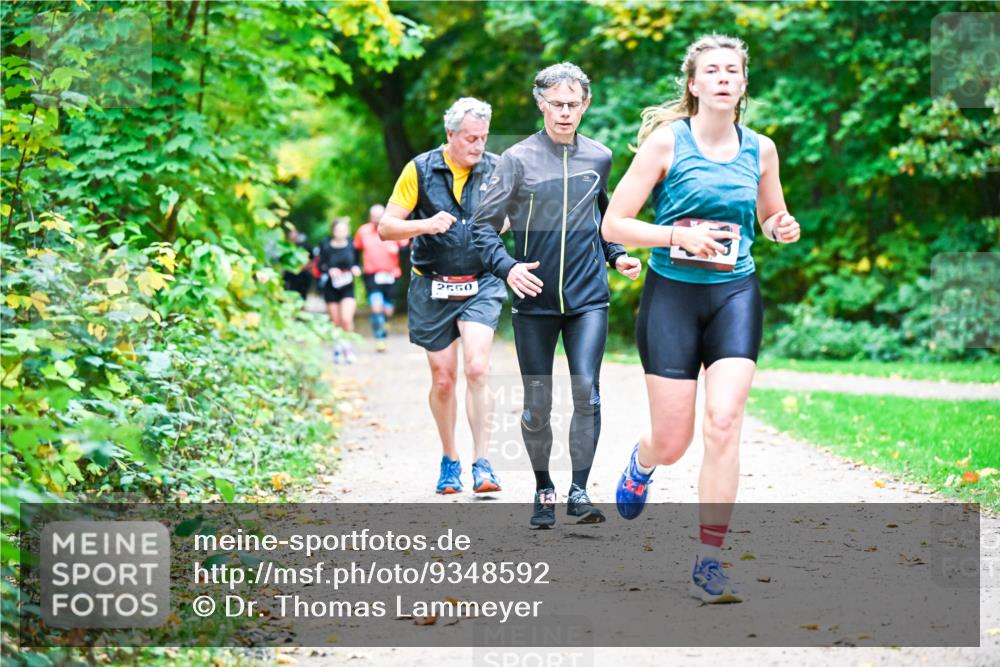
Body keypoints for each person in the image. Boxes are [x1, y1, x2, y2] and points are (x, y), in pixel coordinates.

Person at [601, 34, 801, 603]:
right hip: (673, 296)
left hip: (735, 293)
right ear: (693, 84)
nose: (721, 77)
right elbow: (615, 223)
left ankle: (709, 560)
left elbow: (770, 214)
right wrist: (676, 235)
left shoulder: (760, 149)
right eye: (710, 70)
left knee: (723, 420)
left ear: (741, 85)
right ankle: (643, 463)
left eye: (731, 70)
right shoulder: (667, 143)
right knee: (673, 440)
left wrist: (781, 226)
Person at [471, 63, 641, 528]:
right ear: (540, 103)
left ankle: (579, 491)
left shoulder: (600, 157)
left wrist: (617, 254)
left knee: (587, 393)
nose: (565, 113)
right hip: (536, 301)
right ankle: (544, 487)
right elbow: (482, 228)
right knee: (537, 403)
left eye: (573, 104)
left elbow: (605, 220)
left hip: (588, 298)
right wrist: (507, 268)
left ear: (586, 103)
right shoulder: (517, 159)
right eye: (556, 104)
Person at [378, 97, 505, 495]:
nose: (477, 146)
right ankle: (450, 460)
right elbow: (386, 227)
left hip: (481, 281)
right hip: (432, 282)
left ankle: (482, 463)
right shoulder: (419, 169)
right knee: (444, 378)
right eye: (470, 138)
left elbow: (520, 213)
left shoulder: (497, 168)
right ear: (450, 135)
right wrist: (425, 224)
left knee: (478, 367)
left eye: (483, 138)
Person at [353, 204, 407, 352]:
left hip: (391, 275)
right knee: (376, 308)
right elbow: (355, 250)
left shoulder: (393, 228)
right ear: (370, 217)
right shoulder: (363, 231)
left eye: (379, 215)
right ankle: (379, 338)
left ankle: (384, 324)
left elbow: (406, 246)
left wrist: (398, 249)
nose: (377, 218)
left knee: (388, 310)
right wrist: (355, 265)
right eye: (374, 216)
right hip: (371, 274)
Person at [315, 217, 362, 364]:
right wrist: (330, 270)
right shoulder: (326, 245)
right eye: (338, 229)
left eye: (344, 229)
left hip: (347, 286)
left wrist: (356, 269)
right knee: (336, 321)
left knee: (346, 319)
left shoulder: (352, 245)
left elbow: (358, 263)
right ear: (333, 230)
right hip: (331, 287)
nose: (341, 232)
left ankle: (347, 348)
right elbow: (320, 265)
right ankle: (338, 348)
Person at [281, 225, 312, 301]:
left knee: (302, 297)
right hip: (289, 276)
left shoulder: (305, 246)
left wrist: (304, 267)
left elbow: (313, 260)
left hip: (303, 276)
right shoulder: (285, 246)